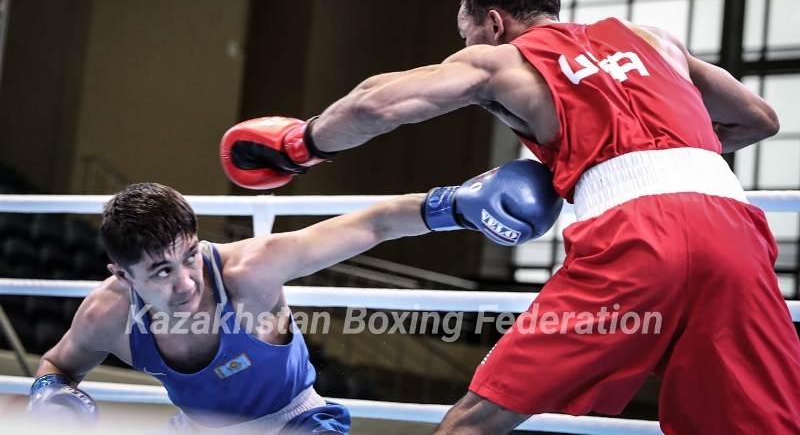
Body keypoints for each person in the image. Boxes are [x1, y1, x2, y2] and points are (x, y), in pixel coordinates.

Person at [219, 0, 800, 434]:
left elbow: (378, 101)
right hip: (735, 232)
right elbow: (759, 119)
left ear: (493, 22)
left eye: (465, 35)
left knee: (477, 421)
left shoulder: (502, 60)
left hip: (636, 236)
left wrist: (301, 145)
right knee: (753, 422)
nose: (464, 46)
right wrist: (662, 154)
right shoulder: (654, 41)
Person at [28, 160, 562, 433]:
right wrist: (49, 393)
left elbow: (372, 224)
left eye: (189, 256)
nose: (186, 282)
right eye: (161, 272)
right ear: (122, 275)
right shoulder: (107, 315)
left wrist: (456, 206)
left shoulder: (249, 271)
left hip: (294, 424)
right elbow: (58, 363)